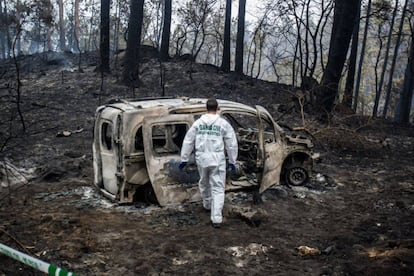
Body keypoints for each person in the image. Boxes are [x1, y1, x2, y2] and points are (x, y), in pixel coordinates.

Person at [179, 98, 238, 228]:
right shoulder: (223, 124)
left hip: (202, 158)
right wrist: (233, 161)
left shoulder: (198, 123)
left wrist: (184, 158)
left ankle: (207, 204)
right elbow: (231, 143)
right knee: (217, 188)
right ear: (217, 108)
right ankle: (216, 218)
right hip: (217, 159)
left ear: (206, 108)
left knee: (204, 181)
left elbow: (188, 140)